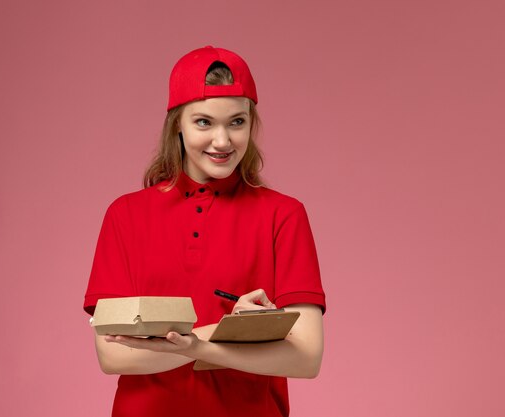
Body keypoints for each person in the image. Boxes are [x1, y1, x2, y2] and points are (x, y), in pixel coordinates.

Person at [83, 46, 326, 417]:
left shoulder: (284, 215)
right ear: (176, 124)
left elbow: (305, 358)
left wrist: (192, 347)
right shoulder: (126, 215)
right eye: (203, 122)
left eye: (237, 122)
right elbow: (114, 354)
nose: (223, 141)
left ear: (251, 123)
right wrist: (229, 333)